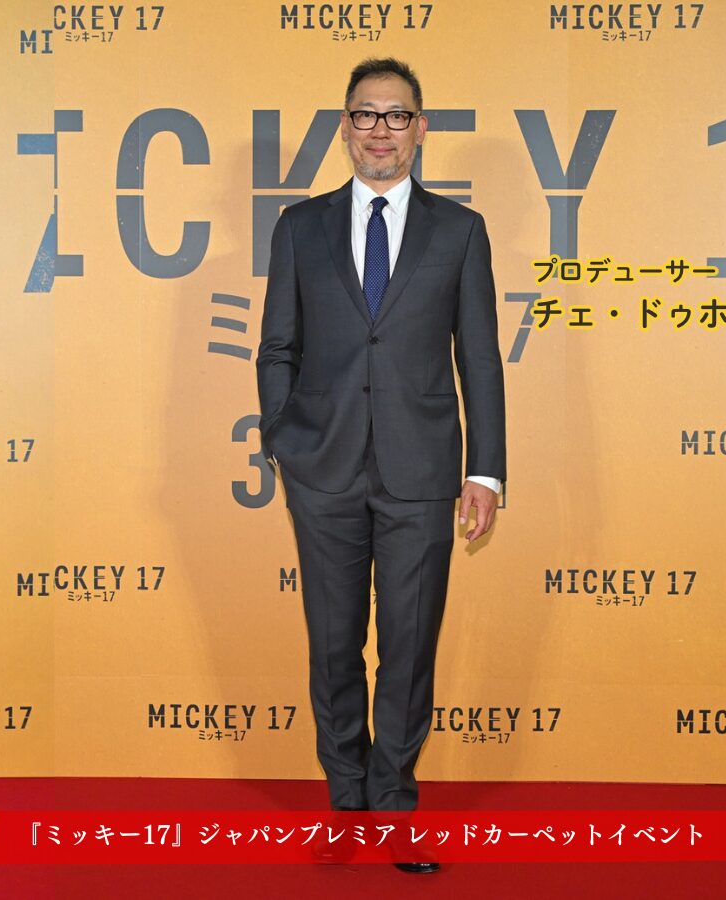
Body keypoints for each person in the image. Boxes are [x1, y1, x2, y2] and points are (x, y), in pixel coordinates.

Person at [255, 57, 506, 874]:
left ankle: (393, 805)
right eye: (365, 115)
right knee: (333, 647)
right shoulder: (300, 226)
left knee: (408, 646)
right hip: (322, 470)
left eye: (397, 116)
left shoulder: (459, 231)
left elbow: (479, 358)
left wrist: (485, 471)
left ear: (420, 129)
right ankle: (345, 802)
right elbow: (278, 347)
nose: (380, 131)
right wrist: (284, 438)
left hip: (421, 473)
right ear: (345, 127)